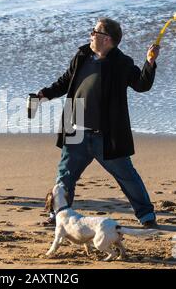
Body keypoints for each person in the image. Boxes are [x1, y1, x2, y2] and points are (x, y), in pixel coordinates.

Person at [38, 17, 160, 228]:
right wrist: (44, 95)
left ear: (107, 39)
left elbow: (141, 84)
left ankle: (147, 216)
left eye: (94, 32)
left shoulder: (122, 63)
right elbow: (66, 81)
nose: (90, 35)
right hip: (76, 130)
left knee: (127, 177)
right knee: (65, 176)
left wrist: (149, 63)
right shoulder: (83, 55)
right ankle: (56, 215)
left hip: (106, 135)